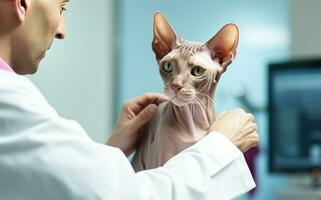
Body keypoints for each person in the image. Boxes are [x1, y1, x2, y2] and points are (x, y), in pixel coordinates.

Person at [0, 0, 259, 199]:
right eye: (62, 7)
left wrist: (113, 148)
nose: (61, 31)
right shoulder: (9, 100)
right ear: (22, 3)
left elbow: (60, 184)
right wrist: (221, 146)